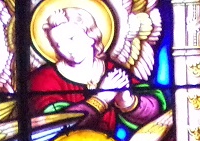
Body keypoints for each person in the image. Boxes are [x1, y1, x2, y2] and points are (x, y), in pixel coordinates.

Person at [27, 5, 163, 134]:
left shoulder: (113, 72)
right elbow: (52, 124)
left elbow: (156, 110)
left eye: (71, 38)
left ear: (91, 36)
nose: (67, 48)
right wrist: (101, 98)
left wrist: (127, 101)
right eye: (58, 44)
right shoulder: (44, 79)